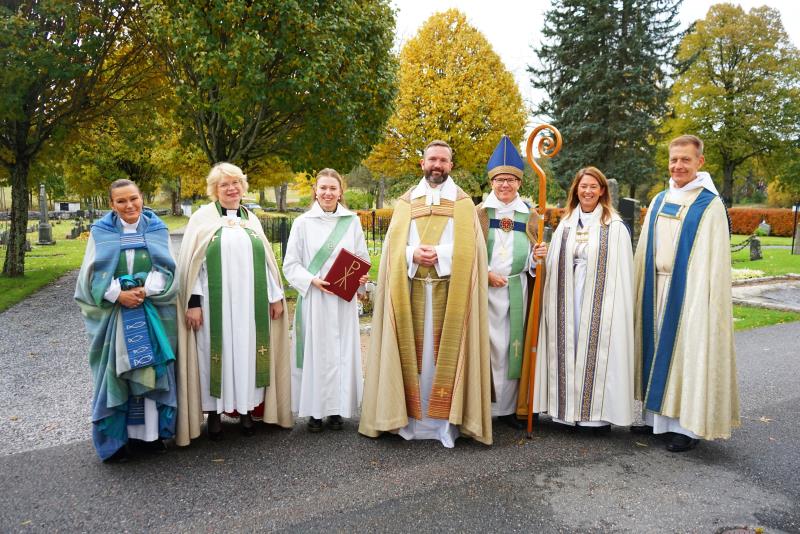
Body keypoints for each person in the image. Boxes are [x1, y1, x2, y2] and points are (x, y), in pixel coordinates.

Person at [359, 140, 491, 447]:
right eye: (432, 159)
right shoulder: (406, 202)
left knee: (445, 357)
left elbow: (474, 250)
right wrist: (411, 255)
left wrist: (442, 254)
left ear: (450, 166)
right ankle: (410, 422)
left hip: (450, 293)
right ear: (422, 163)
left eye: (443, 160)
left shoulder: (462, 203)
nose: (437, 165)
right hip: (412, 290)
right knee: (414, 356)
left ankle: (445, 424)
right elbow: (393, 249)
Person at [633, 135, 739, 452]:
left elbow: (713, 261)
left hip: (690, 295)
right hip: (656, 287)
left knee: (687, 356)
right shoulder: (660, 198)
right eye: (674, 159)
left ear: (699, 162)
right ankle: (655, 421)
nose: (678, 166)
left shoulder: (710, 205)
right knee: (655, 350)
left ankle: (684, 428)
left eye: (686, 160)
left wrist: (699, 297)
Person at [175, 162, 292, 444]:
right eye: (225, 184)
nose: (231, 188)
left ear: (243, 186)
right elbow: (193, 266)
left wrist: (275, 297)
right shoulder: (202, 219)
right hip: (214, 308)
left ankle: (246, 409)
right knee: (214, 355)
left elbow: (266, 263)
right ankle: (215, 413)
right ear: (214, 189)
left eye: (236, 183)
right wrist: (193, 302)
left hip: (250, 307)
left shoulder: (251, 219)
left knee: (248, 353)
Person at [75, 179, 178, 462]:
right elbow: (90, 275)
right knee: (117, 371)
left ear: (142, 198)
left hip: (150, 310)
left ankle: (149, 436)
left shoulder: (156, 228)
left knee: (151, 369)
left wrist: (146, 290)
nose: (129, 205)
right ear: (111, 204)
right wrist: (118, 295)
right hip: (116, 314)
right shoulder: (101, 232)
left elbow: (168, 269)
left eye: (133, 198)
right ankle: (118, 439)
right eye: (121, 201)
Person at [533, 167, 634, 432]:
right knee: (568, 344)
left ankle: (594, 415)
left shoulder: (615, 227)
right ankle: (564, 412)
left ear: (602, 191)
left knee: (593, 350)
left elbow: (621, 274)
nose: (588, 191)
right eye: (583, 186)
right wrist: (541, 255)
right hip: (566, 297)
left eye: (593, 187)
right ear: (576, 190)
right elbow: (552, 262)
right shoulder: (565, 224)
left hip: (601, 302)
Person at [283, 169, 369, 432]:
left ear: (340, 191)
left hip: (342, 301)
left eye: (333, 188)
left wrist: (362, 279)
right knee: (317, 354)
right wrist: (312, 281)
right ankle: (315, 413)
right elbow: (290, 265)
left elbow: (362, 257)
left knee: (342, 353)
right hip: (316, 299)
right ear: (315, 190)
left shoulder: (351, 221)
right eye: (323, 188)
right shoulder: (303, 223)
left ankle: (337, 410)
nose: (328, 193)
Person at [475, 136, 547, 430]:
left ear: (519, 182)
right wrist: (485, 273)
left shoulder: (530, 215)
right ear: (492, 182)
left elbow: (534, 259)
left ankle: (508, 409)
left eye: (511, 180)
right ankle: (481, 408)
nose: (505, 185)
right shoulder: (479, 213)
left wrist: (536, 257)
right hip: (484, 291)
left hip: (517, 291)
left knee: (511, 348)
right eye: (500, 180)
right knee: (487, 348)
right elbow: (468, 252)